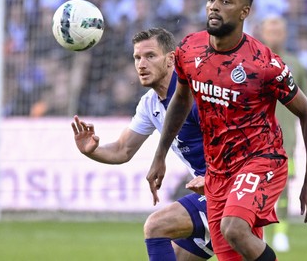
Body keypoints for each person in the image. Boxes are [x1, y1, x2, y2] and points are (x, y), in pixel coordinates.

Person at [147, 0, 307, 261]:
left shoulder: (264, 64)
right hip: (219, 172)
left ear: (244, 12)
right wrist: (159, 156)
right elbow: (181, 100)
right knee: (232, 252)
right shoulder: (190, 49)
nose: (214, 7)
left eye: (225, 1)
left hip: (262, 160)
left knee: (234, 228)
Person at [71, 27, 214, 261]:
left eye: (150, 56)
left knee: (156, 226)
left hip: (231, 187)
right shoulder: (149, 104)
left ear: (170, 60)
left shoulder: (197, 94)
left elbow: (235, 144)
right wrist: (92, 151)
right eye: (137, 57)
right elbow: (122, 150)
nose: (141, 64)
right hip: (210, 191)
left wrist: (213, 179)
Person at [257, 15, 307, 252]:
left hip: (285, 137)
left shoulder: (296, 64)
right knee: (253, 187)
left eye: (279, 29)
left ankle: (281, 231)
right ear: (263, 32)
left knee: (283, 187)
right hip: (254, 136)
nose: (275, 34)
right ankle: (257, 231)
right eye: (271, 29)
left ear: (285, 34)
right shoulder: (252, 60)